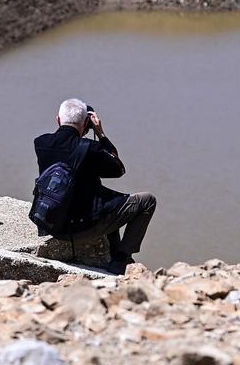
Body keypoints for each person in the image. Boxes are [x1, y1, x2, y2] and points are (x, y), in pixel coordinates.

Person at [33, 98, 156, 274]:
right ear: (86, 123)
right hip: (82, 227)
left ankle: (114, 253)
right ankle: (121, 259)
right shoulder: (90, 148)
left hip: (53, 225)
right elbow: (118, 169)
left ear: (58, 120)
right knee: (147, 200)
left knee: (112, 199)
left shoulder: (41, 143)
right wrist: (101, 134)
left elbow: (64, 149)